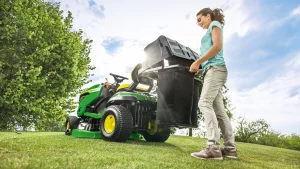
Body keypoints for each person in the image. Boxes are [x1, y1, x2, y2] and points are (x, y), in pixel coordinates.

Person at [189, 8, 237, 160]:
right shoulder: (211, 27)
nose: (198, 23)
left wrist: (197, 62)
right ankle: (230, 149)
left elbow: (217, 46)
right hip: (212, 70)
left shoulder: (214, 24)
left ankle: (213, 147)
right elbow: (211, 55)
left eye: (199, 19)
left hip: (216, 70)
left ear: (207, 16)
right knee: (219, 111)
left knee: (204, 103)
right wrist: (201, 68)